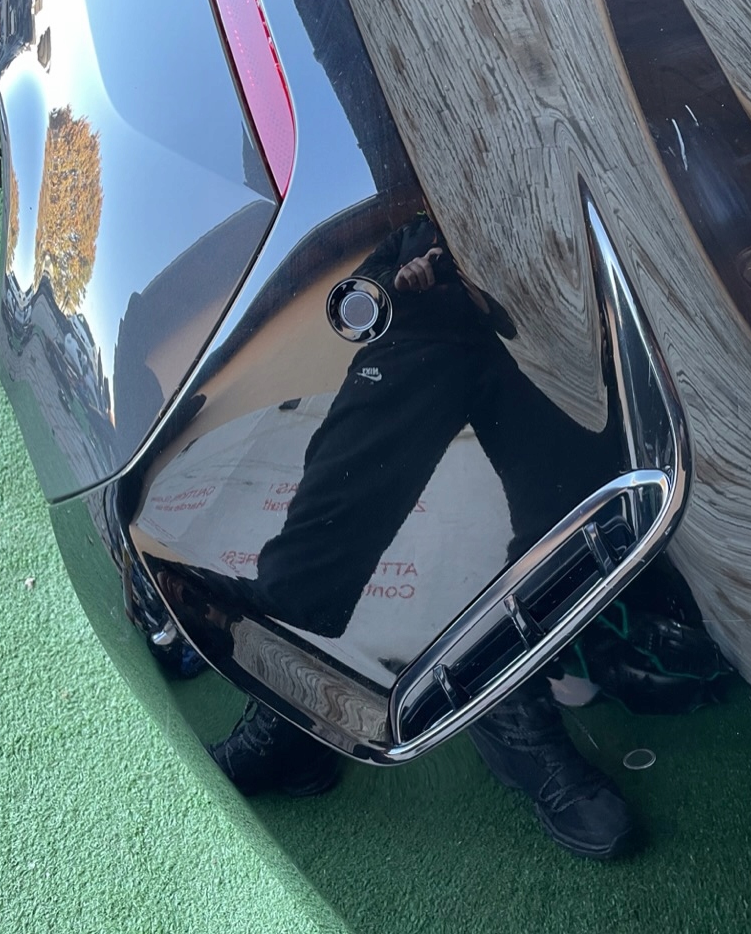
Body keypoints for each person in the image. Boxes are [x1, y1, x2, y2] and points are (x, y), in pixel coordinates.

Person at [210, 212, 639, 858]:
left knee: (568, 505)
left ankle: (507, 699)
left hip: (532, 334)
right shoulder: (409, 228)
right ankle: (287, 714)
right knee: (327, 516)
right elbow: (355, 299)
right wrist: (403, 280)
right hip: (416, 341)